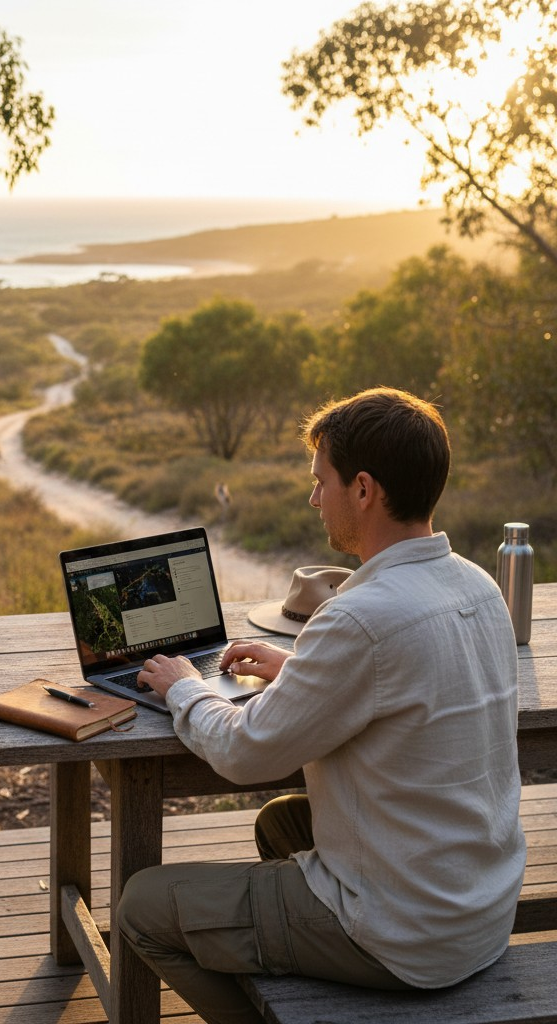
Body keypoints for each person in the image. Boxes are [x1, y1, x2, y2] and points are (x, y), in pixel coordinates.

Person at [115, 386, 526, 1024]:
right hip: (479, 909)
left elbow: (244, 753)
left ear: (363, 490)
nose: (314, 498)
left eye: (320, 481)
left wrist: (182, 687)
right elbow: (404, 689)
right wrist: (299, 671)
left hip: (404, 936)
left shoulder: (361, 618)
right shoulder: (476, 584)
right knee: (281, 824)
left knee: (141, 905)